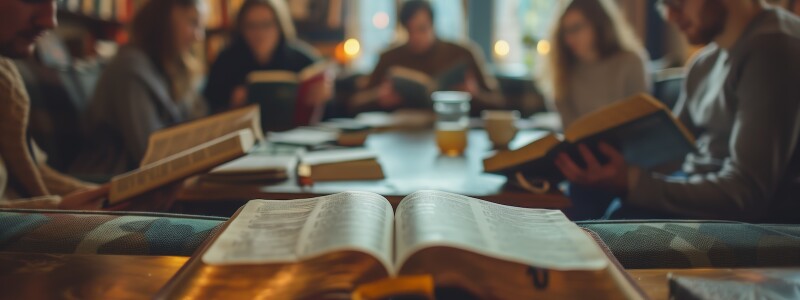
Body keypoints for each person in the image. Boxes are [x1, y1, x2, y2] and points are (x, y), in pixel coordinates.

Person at [554, 0, 800, 223]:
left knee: (609, 227)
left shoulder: (773, 45)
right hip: (693, 187)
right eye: (663, 4)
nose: (670, 15)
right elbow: (668, 152)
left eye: (677, 2)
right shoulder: (703, 65)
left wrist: (632, 181)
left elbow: (747, 193)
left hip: (740, 221)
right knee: (585, 194)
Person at [0, 0, 175, 211]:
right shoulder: (131, 68)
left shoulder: (6, 77)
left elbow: (34, 172)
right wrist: (59, 211)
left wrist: (110, 197)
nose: (51, 21)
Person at [72, 0, 208, 177]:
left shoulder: (169, 69)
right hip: (109, 184)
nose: (199, 36)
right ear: (164, 20)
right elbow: (149, 154)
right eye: (193, 23)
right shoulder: (129, 68)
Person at [350, 0, 503, 115]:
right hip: (402, 135)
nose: (416, 37)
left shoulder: (463, 53)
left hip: (451, 129)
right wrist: (378, 96)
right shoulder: (389, 58)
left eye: (422, 29)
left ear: (433, 25)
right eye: (410, 30)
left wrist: (475, 95)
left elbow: (499, 103)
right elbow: (354, 104)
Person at [203, 0, 331, 126]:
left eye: (266, 24)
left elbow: (329, 81)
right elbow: (209, 108)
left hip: (295, 134)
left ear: (280, 25)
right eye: (251, 26)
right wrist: (230, 104)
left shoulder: (301, 58)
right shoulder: (226, 61)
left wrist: (326, 91)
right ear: (241, 28)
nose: (259, 33)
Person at [542, 0, 651, 128]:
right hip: (582, 145)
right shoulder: (563, 71)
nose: (569, 39)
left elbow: (641, 117)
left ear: (597, 24)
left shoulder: (630, 62)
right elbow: (569, 127)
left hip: (626, 143)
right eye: (565, 31)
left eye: (576, 28)